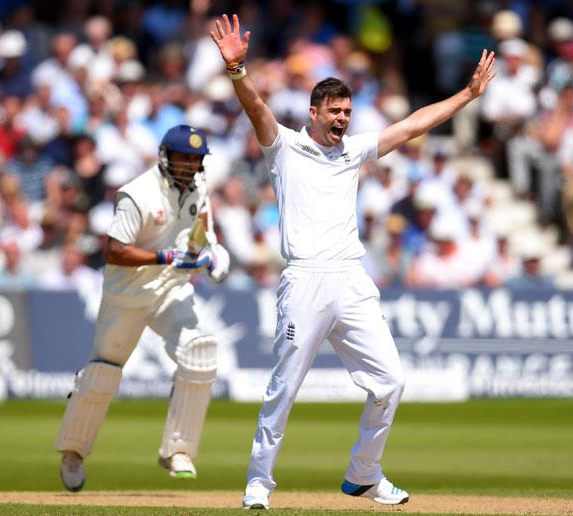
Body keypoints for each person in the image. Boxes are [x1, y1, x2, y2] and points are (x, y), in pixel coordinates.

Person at [210, 14, 495, 510]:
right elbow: (256, 107)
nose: (343, 118)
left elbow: (412, 124)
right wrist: (237, 69)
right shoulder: (285, 146)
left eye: (347, 110)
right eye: (335, 111)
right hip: (304, 281)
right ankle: (259, 482)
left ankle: (364, 474)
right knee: (285, 385)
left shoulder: (353, 151)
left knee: (391, 381)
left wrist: (468, 95)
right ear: (314, 111)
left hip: (351, 279)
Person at [55, 124, 230, 491]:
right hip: (127, 296)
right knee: (104, 372)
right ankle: (73, 451)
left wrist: (213, 260)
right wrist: (163, 256)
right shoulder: (137, 194)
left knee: (199, 353)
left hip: (171, 291)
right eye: (183, 158)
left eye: (196, 160)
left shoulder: (199, 189)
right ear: (166, 157)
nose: (189, 166)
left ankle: (177, 449)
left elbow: (205, 238)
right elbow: (115, 250)